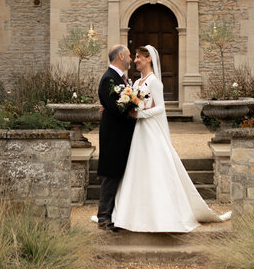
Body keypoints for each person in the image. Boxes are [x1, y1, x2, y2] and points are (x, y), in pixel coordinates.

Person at [111, 44, 230, 232]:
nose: (135, 61)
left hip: (151, 131)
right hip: (139, 132)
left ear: (148, 58)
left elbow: (160, 109)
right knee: (137, 168)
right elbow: (135, 104)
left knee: (156, 168)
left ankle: (164, 215)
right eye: (134, 57)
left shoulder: (154, 82)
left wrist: (140, 114)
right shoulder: (135, 84)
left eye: (138, 57)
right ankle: (134, 214)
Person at [95, 44, 136, 231]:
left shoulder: (120, 78)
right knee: (111, 175)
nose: (131, 59)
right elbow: (115, 108)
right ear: (120, 56)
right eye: (128, 55)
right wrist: (133, 109)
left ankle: (115, 216)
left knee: (118, 174)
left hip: (122, 135)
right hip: (114, 136)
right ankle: (103, 218)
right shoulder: (108, 79)